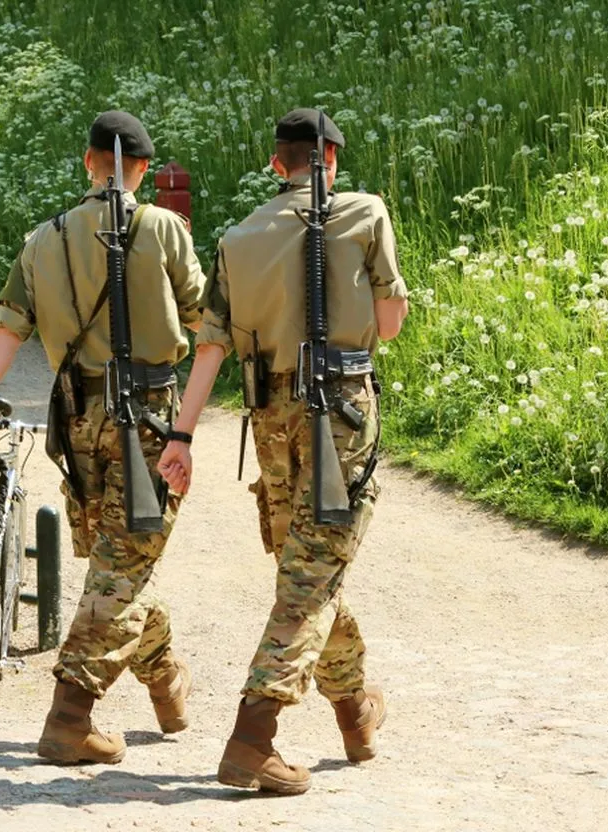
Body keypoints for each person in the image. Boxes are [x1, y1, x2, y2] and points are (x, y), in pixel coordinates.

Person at [157, 108, 409, 794]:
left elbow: (211, 345)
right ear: (330, 160)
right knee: (312, 574)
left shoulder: (238, 236)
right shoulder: (365, 211)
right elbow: (388, 324)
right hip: (341, 411)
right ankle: (253, 736)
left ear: (278, 164)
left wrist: (181, 436)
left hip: (269, 417)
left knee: (307, 565)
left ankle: (356, 712)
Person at [0, 111, 205, 765]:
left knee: (118, 567)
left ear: (88, 162)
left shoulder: (44, 240)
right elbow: (211, 323)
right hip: (147, 422)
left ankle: (166, 679)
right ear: (142, 171)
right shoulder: (164, 230)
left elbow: (8, 325)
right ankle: (70, 718)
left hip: (79, 428)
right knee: (121, 571)